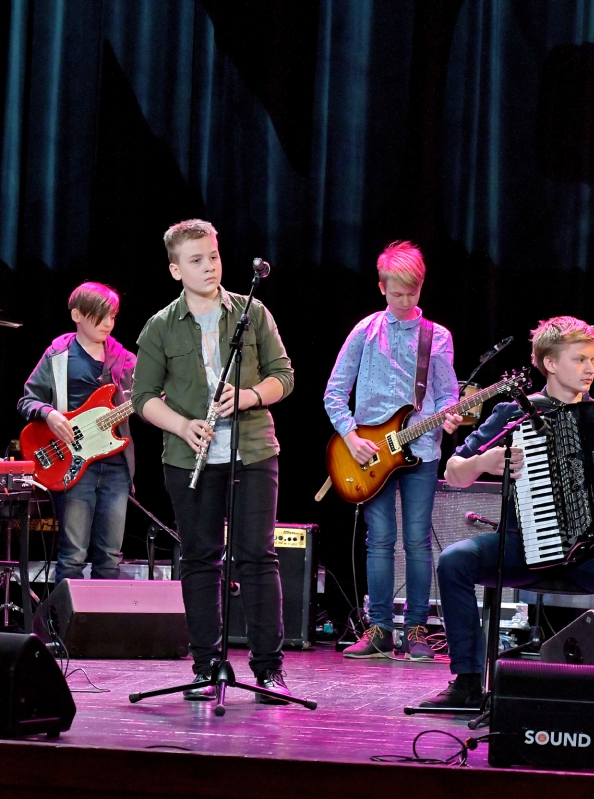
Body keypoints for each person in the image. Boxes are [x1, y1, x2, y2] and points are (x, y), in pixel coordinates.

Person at [421, 316, 594, 709]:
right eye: (579, 359)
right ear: (550, 363)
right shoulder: (513, 413)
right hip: (523, 547)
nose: (590, 368)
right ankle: (468, 682)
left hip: (591, 554)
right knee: (454, 561)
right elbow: (454, 472)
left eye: (593, 360)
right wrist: (484, 462)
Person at [132, 219, 295, 702]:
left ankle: (268, 669)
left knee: (257, 557)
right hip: (190, 459)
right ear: (175, 269)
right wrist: (183, 425)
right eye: (196, 260)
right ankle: (205, 666)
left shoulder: (252, 311)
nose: (209, 267)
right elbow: (142, 397)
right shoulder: (160, 326)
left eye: (214, 257)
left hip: (253, 452)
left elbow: (284, 376)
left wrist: (248, 396)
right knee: (200, 559)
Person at [324, 241, 461, 660]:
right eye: (396, 293)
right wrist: (351, 438)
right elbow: (334, 393)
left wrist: (451, 415)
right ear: (382, 287)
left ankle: (417, 629)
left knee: (417, 541)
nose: (404, 301)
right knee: (380, 541)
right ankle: (380, 629)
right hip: (370, 452)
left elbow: (447, 394)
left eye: (412, 293)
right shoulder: (365, 331)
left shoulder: (437, 336)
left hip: (421, 449)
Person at [18, 282, 136, 584]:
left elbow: (148, 403)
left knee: (110, 558)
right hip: (71, 463)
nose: (108, 323)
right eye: (100, 315)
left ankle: (106, 617)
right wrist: (50, 414)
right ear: (77, 315)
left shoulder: (125, 360)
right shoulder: (58, 354)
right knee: (72, 556)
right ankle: (64, 617)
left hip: (116, 466)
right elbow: (27, 400)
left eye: (113, 316)